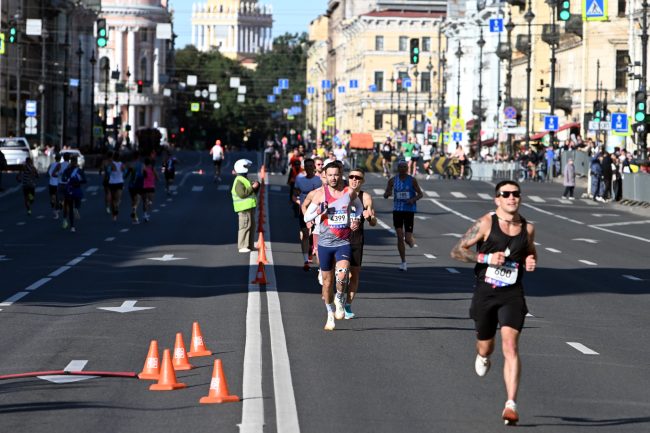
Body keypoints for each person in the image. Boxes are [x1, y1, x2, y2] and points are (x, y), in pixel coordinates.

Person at [450, 180, 537, 426]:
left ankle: (511, 404)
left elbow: (531, 252)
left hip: (512, 293)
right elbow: (457, 250)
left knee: (510, 347)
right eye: (506, 194)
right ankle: (484, 355)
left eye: (515, 194)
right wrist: (487, 257)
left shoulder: (527, 228)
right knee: (486, 347)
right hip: (486, 292)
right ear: (496, 199)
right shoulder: (486, 223)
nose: (512, 198)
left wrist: (531, 261)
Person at [303, 161, 362, 330]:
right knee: (327, 283)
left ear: (341, 174)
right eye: (330, 175)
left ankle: (340, 298)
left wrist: (356, 219)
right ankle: (330, 313)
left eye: (336, 174)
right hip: (325, 244)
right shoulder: (320, 195)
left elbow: (358, 207)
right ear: (325, 176)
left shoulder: (349, 192)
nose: (333, 178)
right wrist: (319, 210)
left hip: (343, 242)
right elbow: (307, 217)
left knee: (343, 275)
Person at [346, 167, 377, 319]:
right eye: (352, 177)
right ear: (348, 178)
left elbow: (373, 222)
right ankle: (336, 292)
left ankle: (347, 305)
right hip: (339, 239)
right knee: (341, 272)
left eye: (358, 178)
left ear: (362, 181)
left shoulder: (365, 197)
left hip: (356, 239)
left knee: (354, 274)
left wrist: (369, 216)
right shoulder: (341, 193)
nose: (354, 180)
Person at [383, 159, 423, 271]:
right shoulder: (392, 181)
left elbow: (420, 194)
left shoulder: (412, 180)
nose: (403, 169)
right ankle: (403, 262)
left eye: (405, 167)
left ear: (407, 168)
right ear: (398, 168)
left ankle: (410, 240)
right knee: (400, 236)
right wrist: (387, 193)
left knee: (407, 239)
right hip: (397, 211)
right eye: (401, 167)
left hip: (409, 211)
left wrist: (413, 199)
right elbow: (386, 194)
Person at [293, 158, 324, 271]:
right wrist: (299, 202)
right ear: (304, 168)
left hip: (318, 211)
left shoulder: (319, 180)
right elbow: (294, 194)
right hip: (304, 210)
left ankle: (318, 256)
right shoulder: (299, 179)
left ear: (314, 167)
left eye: (311, 166)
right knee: (305, 234)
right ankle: (306, 260)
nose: (309, 168)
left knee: (317, 234)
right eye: (307, 166)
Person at [231, 159, 260, 253]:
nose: (247, 169)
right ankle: (242, 246)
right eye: (246, 167)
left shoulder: (244, 179)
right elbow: (242, 194)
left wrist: (255, 186)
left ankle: (250, 245)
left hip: (249, 206)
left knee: (251, 226)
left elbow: (250, 192)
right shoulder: (239, 180)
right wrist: (252, 187)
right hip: (243, 208)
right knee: (244, 226)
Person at [61, 156, 87, 232]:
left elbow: (63, 179)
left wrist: (68, 180)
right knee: (78, 202)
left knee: (69, 206)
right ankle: (77, 208)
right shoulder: (79, 170)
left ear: (70, 162)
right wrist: (78, 181)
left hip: (69, 190)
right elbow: (84, 180)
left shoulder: (67, 170)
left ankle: (72, 226)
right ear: (76, 162)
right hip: (77, 189)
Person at [107, 153, 126, 221]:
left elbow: (108, 172)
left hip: (112, 183)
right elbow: (125, 172)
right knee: (117, 198)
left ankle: (114, 215)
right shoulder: (122, 164)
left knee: (113, 200)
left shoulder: (111, 164)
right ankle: (116, 207)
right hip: (120, 182)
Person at [141, 156, 159, 222]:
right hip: (151, 186)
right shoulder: (152, 168)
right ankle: (146, 212)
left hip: (144, 186)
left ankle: (145, 214)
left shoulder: (143, 169)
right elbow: (156, 175)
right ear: (149, 163)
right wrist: (157, 179)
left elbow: (141, 176)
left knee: (144, 202)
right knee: (150, 201)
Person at [47, 154, 63, 219]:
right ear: (60, 158)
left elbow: (48, 173)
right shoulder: (60, 165)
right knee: (57, 198)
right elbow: (61, 174)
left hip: (51, 183)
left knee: (52, 197)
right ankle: (57, 210)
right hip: (57, 183)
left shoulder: (51, 165)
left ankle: (55, 209)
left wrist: (51, 175)